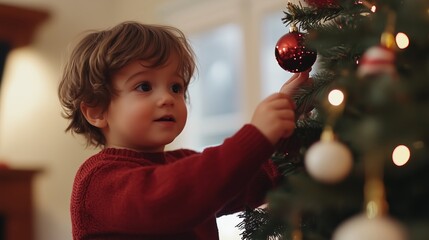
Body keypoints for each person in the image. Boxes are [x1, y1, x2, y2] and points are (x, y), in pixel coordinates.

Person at [58, 21, 311, 240]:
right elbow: (176, 197)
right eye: (144, 86)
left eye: (176, 87)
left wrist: (289, 125)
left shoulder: (184, 163)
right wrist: (256, 135)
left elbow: (253, 179)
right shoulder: (99, 181)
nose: (167, 98)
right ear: (96, 111)